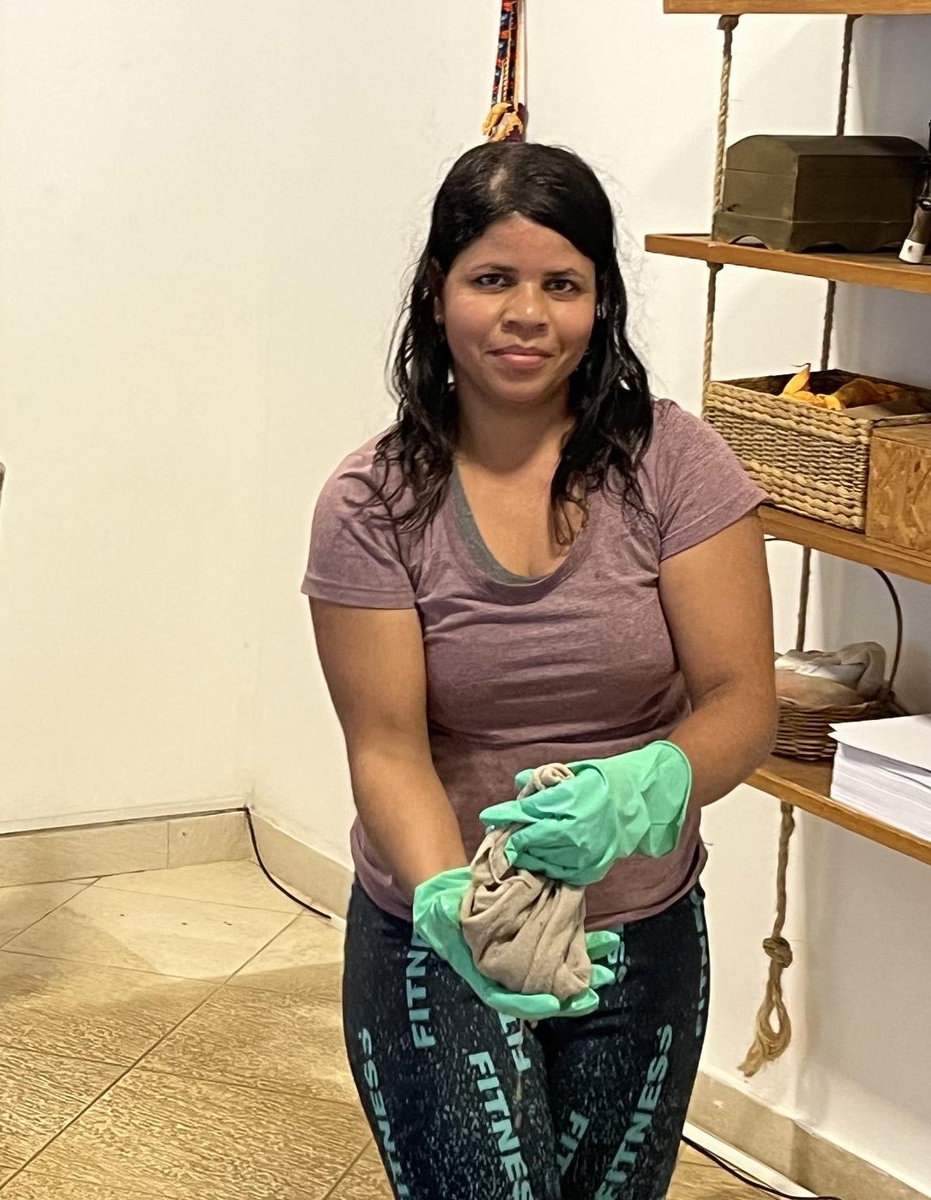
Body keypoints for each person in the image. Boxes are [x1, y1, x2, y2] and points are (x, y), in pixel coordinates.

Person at [304, 141, 776, 1200]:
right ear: (438, 293)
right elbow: (386, 747)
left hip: (639, 935)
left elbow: (744, 703)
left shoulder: (675, 464)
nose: (527, 314)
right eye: (492, 279)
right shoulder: (371, 503)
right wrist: (449, 905)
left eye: (561, 284)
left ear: (600, 302)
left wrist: (643, 785)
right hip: (445, 935)